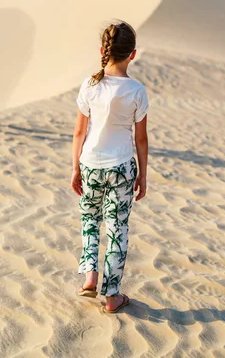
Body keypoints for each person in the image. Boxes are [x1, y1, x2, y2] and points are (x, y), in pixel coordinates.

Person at [71, 21, 149, 314]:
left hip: (90, 163)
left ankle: (90, 274)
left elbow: (79, 133)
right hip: (121, 167)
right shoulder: (136, 91)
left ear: (103, 50)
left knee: (90, 220)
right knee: (118, 229)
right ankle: (112, 295)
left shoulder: (90, 85)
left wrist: (75, 168)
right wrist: (143, 175)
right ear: (133, 54)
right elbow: (140, 138)